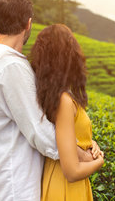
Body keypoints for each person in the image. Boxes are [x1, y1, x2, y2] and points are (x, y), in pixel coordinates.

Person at [0, 0, 97, 201]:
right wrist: (84, 154)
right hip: (16, 185)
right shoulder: (11, 66)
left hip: (9, 181)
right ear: (28, 24)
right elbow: (40, 131)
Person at [30, 24, 105, 201]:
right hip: (65, 187)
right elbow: (71, 171)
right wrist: (99, 161)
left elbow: (68, 137)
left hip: (65, 184)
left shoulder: (61, 96)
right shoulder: (64, 101)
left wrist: (89, 143)